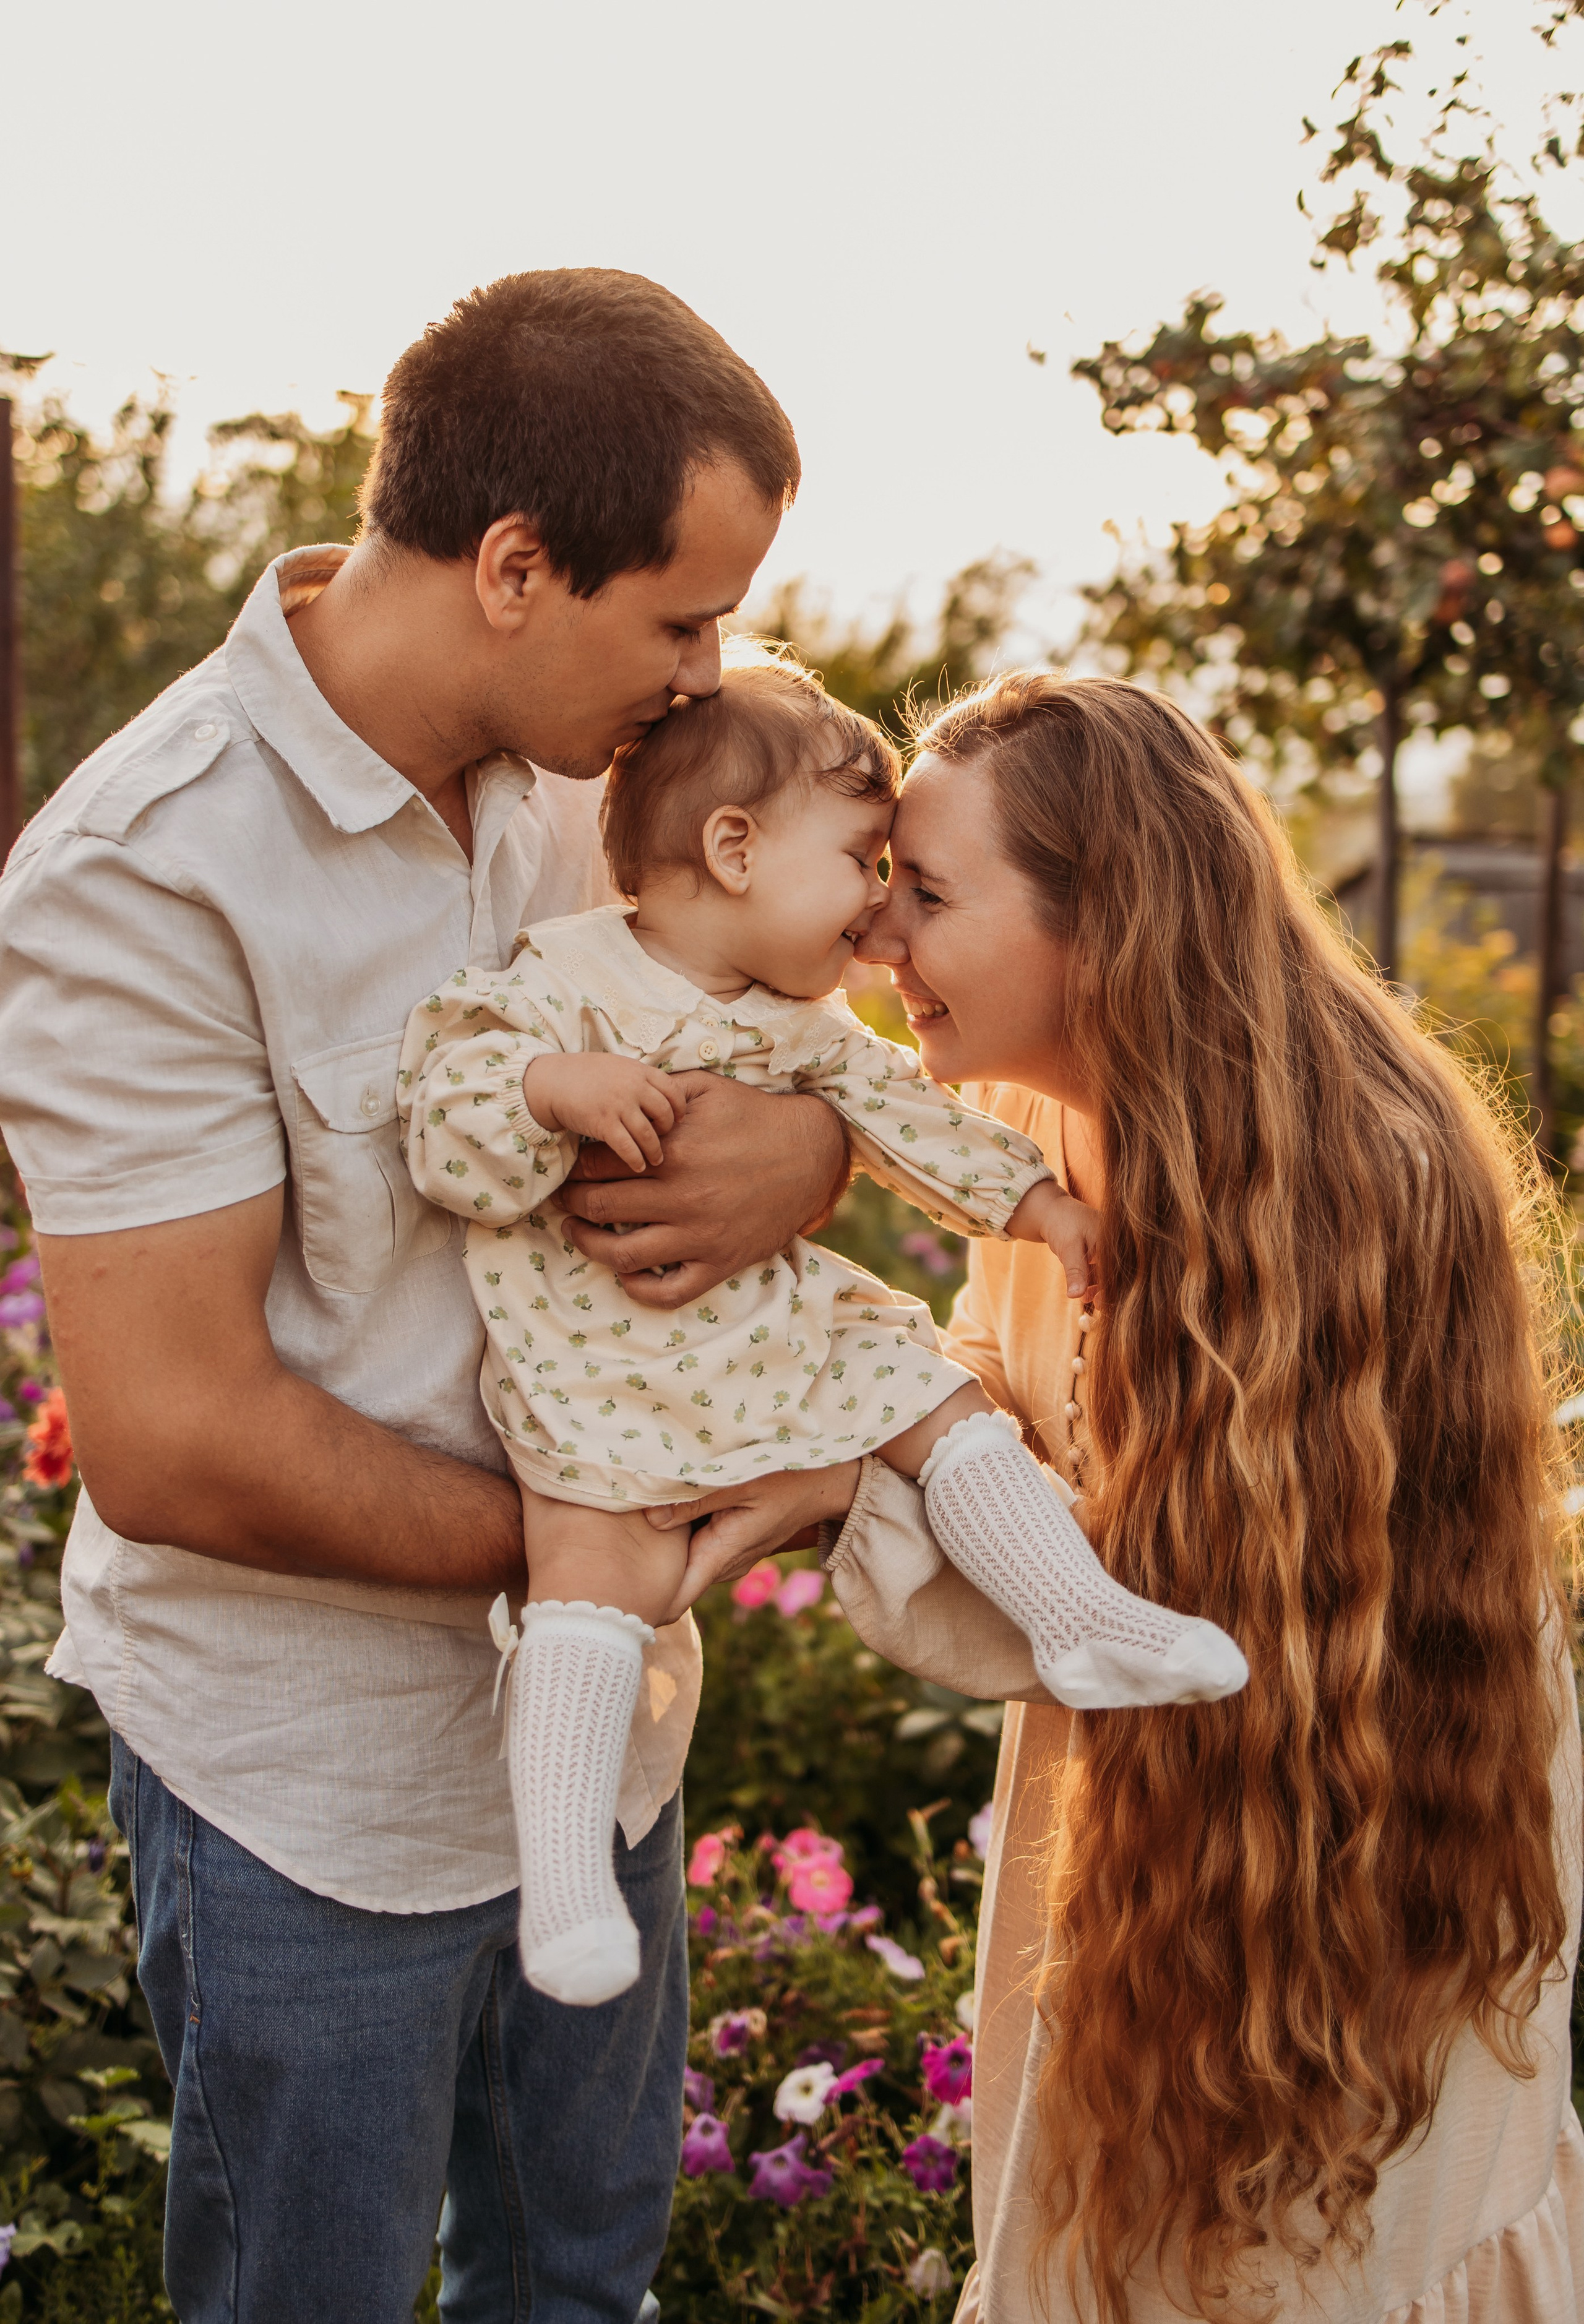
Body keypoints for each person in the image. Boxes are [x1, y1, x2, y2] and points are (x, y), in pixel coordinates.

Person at [0, 269, 850, 2324]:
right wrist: (594, 1560)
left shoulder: (620, 770)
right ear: (512, 564)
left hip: (608, 1754)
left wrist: (806, 1151)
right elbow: (179, 1432)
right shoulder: (145, 870)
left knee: (577, 2280)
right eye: (678, 619)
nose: (710, 672)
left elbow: (805, 1013)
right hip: (315, 1783)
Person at [661, 671, 1583, 2322]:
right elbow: (983, 1393)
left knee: (1297, 2256)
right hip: (1156, 1844)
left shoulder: (1350, 1176)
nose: (879, 939)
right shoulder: (1037, 1125)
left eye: (927, 893)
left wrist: (859, 1468)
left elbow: (1170, 1609)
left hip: (1334, 1864)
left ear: (1108, 924)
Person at [399, 652, 1245, 2008]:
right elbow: (451, 1125)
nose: (873, 914)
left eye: (907, 883)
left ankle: (1081, 1615)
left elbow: (913, 1122)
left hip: (774, 1337)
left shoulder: (809, 1026)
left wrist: (1033, 1205)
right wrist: (555, 1089)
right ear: (732, 847)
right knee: (585, 1569)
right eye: (864, 863)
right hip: (592, 1362)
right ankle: (558, 1881)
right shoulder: (557, 979)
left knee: (926, 1395)